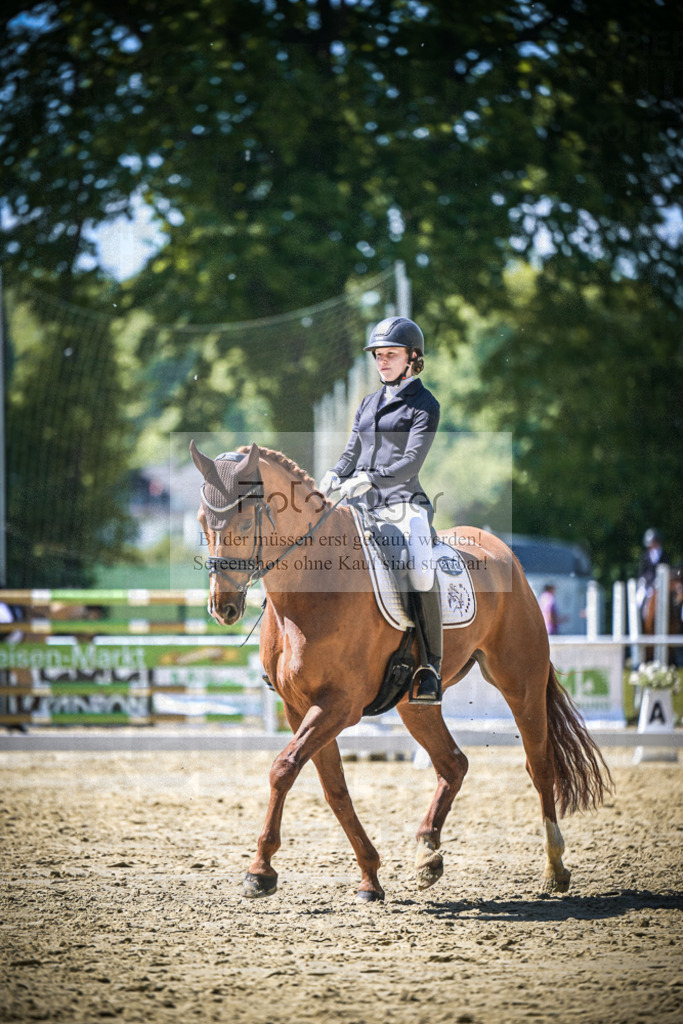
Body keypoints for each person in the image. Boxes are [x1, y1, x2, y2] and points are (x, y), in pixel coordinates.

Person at [318, 315, 442, 703]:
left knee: (420, 571)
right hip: (361, 505)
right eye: (378, 355)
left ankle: (430, 668)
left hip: (403, 504)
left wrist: (372, 478)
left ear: (412, 357)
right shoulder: (368, 403)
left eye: (391, 355)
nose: (382, 362)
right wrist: (332, 476)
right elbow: (351, 453)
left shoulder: (424, 404)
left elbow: (411, 461)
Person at [636, 528, 669, 619]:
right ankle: (639, 622)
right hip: (648, 584)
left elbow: (667, 570)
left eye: (653, 542)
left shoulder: (664, 556)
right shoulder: (645, 556)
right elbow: (642, 572)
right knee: (638, 599)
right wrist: (643, 580)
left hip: (661, 584)